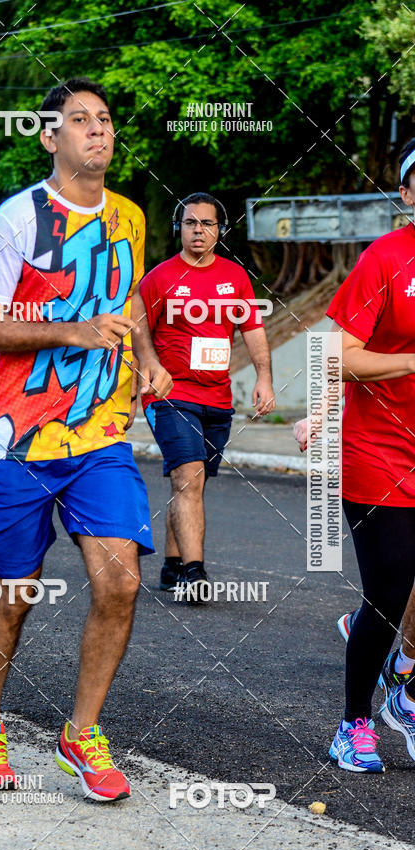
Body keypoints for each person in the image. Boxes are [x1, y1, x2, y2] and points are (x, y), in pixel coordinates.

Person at [0, 77, 172, 800]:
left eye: (104, 119)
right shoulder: (16, 220)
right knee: (15, 594)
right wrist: (71, 331)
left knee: (121, 582)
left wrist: (146, 357)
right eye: (80, 120)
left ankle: (81, 734)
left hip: (98, 435)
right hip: (14, 441)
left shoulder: (130, 216)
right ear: (51, 138)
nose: (98, 130)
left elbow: (129, 295)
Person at [323, 137, 415, 772]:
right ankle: (354, 722)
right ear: (406, 193)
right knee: (388, 589)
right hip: (378, 450)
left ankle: (405, 693)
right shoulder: (385, 258)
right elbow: (337, 356)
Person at [136, 192, 275, 596]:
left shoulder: (235, 277)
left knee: (191, 484)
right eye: (190, 223)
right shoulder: (159, 278)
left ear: (220, 230)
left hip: (217, 398)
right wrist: (134, 390)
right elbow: (137, 334)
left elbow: (253, 330)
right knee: (188, 476)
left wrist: (264, 378)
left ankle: (171, 565)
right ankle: (194, 574)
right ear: (178, 228)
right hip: (171, 395)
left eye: (207, 223)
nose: (198, 230)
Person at [294, 413, 415, 695]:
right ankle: (392, 680)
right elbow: (344, 378)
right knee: (386, 597)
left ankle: (401, 664)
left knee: (395, 588)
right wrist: (319, 414)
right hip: (382, 458)